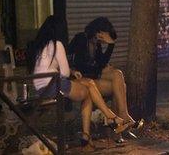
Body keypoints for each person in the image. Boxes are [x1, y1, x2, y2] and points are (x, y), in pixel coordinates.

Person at [27, 15, 130, 150]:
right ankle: (111, 118)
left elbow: (53, 68)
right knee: (89, 87)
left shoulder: (41, 45)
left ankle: (88, 136)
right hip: (55, 86)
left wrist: (71, 71)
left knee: (90, 88)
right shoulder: (59, 44)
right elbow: (63, 73)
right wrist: (71, 71)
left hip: (41, 87)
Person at [68, 17, 143, 134]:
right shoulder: (81, 39)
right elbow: (81, 66)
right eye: (105, 34)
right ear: (99, 32)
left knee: (118, 75)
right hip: (81, 80)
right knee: (120, 86)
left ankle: (123, 116)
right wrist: (100, 69)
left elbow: (101, 63)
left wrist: (111, 45)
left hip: (92, 76)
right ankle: (119, 122)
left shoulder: (96, 43)